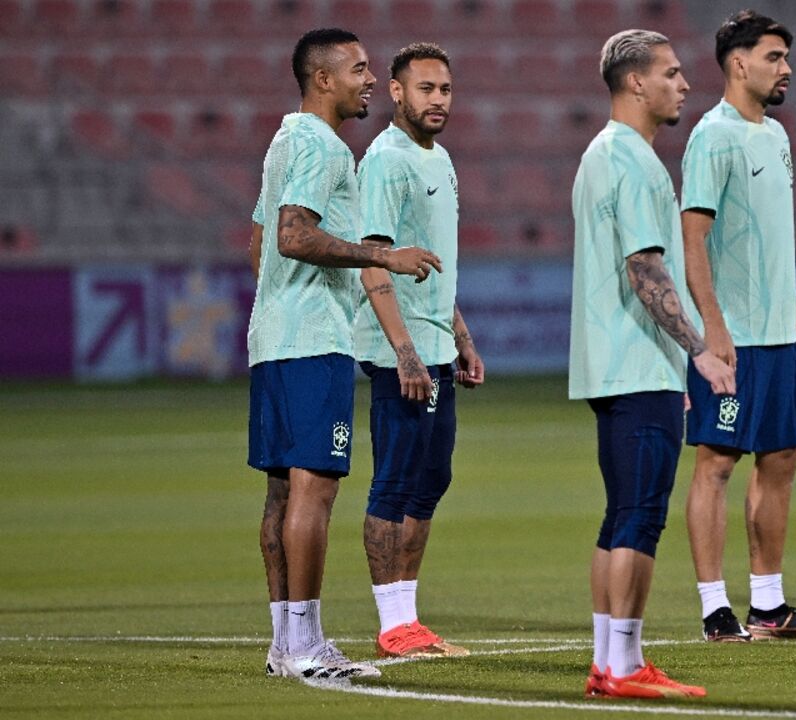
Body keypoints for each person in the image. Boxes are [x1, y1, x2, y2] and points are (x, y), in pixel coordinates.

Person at [248, 27, 441, 681]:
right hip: (313, 341)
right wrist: (382, 254)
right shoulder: (322, 146)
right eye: (358, 69)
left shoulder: (284, 141)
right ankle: (306, 646)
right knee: (316, 489)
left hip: (273, 334)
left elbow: (258, 244)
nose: (368, 80)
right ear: (323, 79)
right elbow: (292, 234)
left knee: (282, 494)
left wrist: (282, 299)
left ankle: (285, 643)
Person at [570, 29, 735, 700]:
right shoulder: (632, 160)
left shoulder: (600, 155)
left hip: (618, 365)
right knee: (639, 515)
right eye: (671, 73)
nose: (684, 84)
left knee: (621, 515)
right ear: (636, 82)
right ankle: (622, 665)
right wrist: (699, 351)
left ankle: (611, 660)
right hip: (637, 365)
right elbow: (645, 267)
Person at [680, 10, 796, 643]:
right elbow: (693, 242)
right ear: (738, 63)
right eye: (774, 57)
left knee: (781, 457)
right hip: (735, 337)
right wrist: (712, 330)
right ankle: (715, 607)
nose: (786, 69)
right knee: (716, 463)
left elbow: (776, 239)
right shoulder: (712, 137)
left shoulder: (774, 136)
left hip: (776, 334)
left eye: (787, 58)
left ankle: (768, 607)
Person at [351, 42, 482, 660]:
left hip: (433, 344)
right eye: (425, 88)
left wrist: (458, 335)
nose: (438, 100)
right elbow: (374, 263)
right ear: (397, 93)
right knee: (395, 482)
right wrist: (402, 350)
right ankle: (392, 624)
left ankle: (408, 619)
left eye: (446, 90)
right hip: (395, 350)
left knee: (432, 479)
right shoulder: (386, 160)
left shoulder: (441, 159)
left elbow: (435, 260)